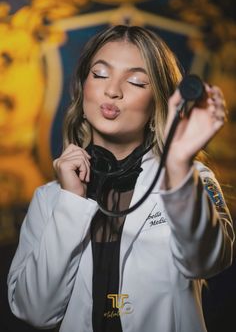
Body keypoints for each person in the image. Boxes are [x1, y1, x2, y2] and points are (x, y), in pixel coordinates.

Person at [7, 25, 235, 332]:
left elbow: (206, 262)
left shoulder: (191, 180)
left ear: (159, 102)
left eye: (137, 81)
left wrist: (178, 164)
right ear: (82, 90)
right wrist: (71, 202)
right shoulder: (49, 199)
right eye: (99, 74)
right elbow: (35, 312)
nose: (112, 90)